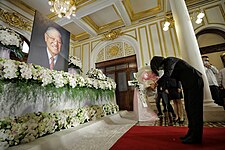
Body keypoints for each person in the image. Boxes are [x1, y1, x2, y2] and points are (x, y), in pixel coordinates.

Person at [150, 56, 204, 144]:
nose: (160, 69)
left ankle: (196, 137)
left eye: (158, 67)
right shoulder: (168, 64)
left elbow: (168, 75)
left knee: (195, 109)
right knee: (189, 108)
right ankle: (191, 133)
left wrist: (157, 84)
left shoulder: (170, 60)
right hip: (187, 83)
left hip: (195, 81)